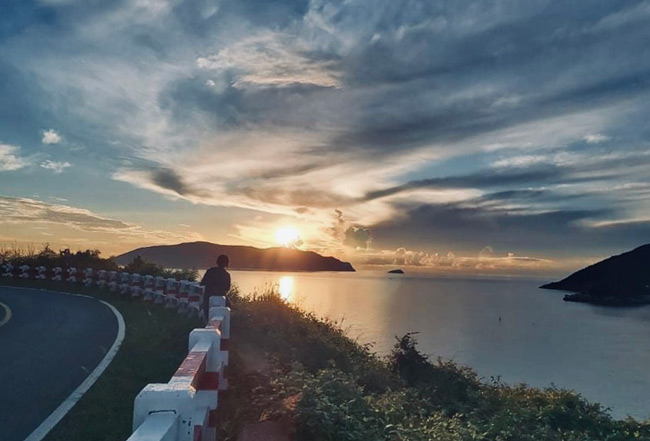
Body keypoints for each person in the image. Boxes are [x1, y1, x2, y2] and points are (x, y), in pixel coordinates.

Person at [200, 254, 231, 321]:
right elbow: (227, 288)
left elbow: (202, 283)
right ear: (226, 263)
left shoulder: (210, 271)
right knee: (229, 306)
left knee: (207, 316)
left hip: (208, 297)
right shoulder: (227, 275)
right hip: (221, 298)